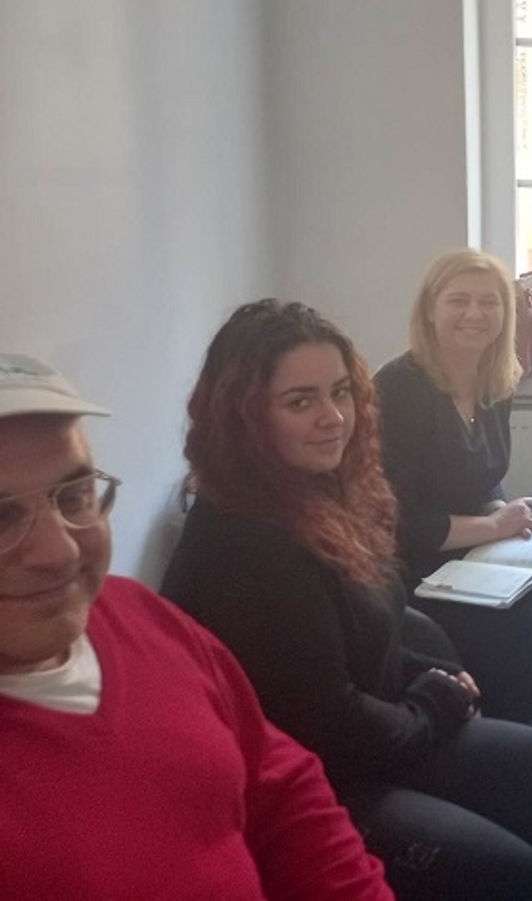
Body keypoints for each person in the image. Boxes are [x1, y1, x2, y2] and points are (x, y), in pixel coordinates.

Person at [160, 302, 532, 901]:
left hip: (365, 734)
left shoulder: (318, 491)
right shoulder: (247, 550)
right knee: (515, 878)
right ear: (245, 416)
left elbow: (368, 621)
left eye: (340, 393)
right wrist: (433, 704)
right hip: (310, 785)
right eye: (299, 402)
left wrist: (427, 674)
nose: (333, 418)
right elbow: (333, 731)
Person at [0, 353, 392, 900]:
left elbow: (279, 783)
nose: (59, 551)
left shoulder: (137, 614)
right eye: (1, 516)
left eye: (74, 495)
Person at [372, 250, 532, 839]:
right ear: (430, 309)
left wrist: (501, 509)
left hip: (473, 560)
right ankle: (500, 779)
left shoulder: (495, 381)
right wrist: (493, 528)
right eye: (459, 300)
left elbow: (482, 478)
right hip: (416, 575)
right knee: (520, 636)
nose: (475, 314)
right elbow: (396, 519)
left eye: (489, 302)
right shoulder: (399, 388)